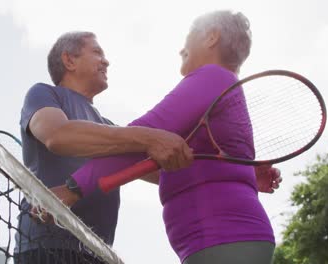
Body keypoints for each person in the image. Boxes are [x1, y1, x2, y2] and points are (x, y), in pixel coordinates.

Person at [50, 10, 280, 264]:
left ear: (211, 37)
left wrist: (73, 188)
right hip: (225, 241)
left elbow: (140, 136)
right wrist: (246, 174)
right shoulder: (223, 84)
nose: (182, 50)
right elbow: (186, 161)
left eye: (189, 37)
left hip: (225, 240)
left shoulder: (212, 77)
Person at [14, 31, 194, 264]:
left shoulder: (109, 128)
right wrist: (148, 137)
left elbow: (166, 169)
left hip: (97, 253)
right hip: (46, 246)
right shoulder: (44, 93)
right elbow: (57, 135)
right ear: (69, 60)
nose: (106, 61)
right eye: (97, 52)